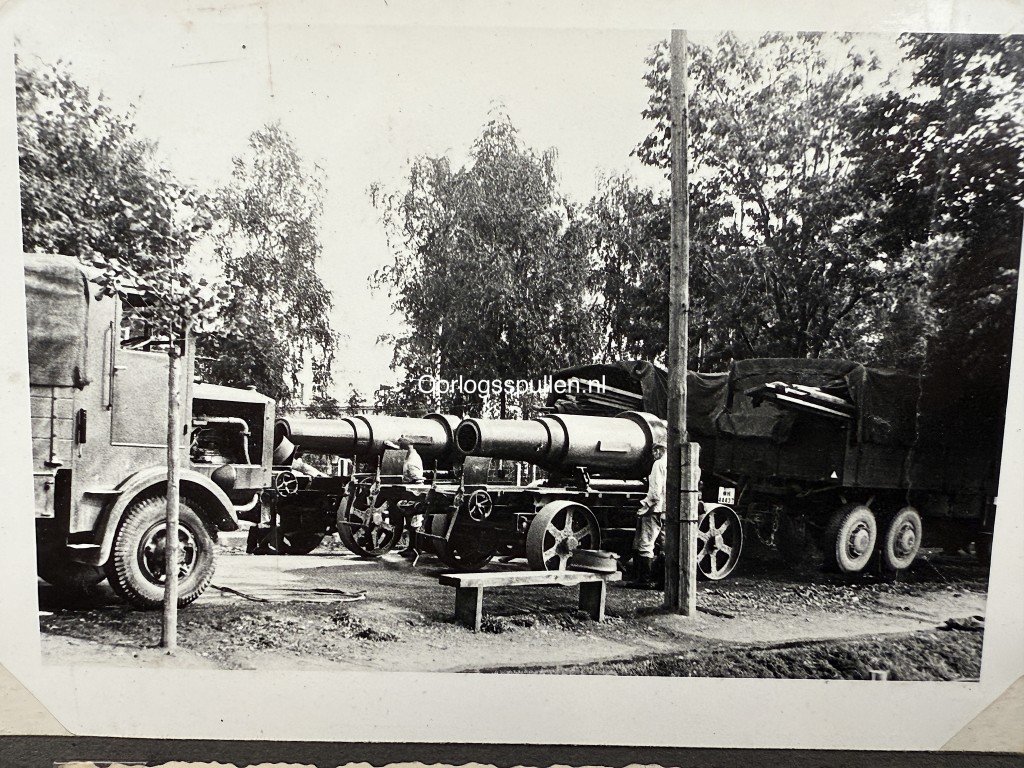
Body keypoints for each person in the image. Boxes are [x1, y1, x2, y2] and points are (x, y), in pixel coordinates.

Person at [626, 440, 667, 589]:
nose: (654, 454)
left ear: (661, 450)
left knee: (646, 543)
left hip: (655, 509)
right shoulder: (673, 464)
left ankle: (644, 580)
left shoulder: (658, 464)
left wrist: (645, 506)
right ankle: (663, 581)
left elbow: (655, 493)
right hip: (667, 510)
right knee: (664, 545)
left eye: (656, 451)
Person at [396, 438, 425, 558]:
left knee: (415, 522)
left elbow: (417, 478)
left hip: (416, 491)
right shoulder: (409, 455)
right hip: (410, 491)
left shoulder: (413, 459)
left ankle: (416, 549)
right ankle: (411, 547)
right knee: (409, 521)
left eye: (402, 447)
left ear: (407, 447)